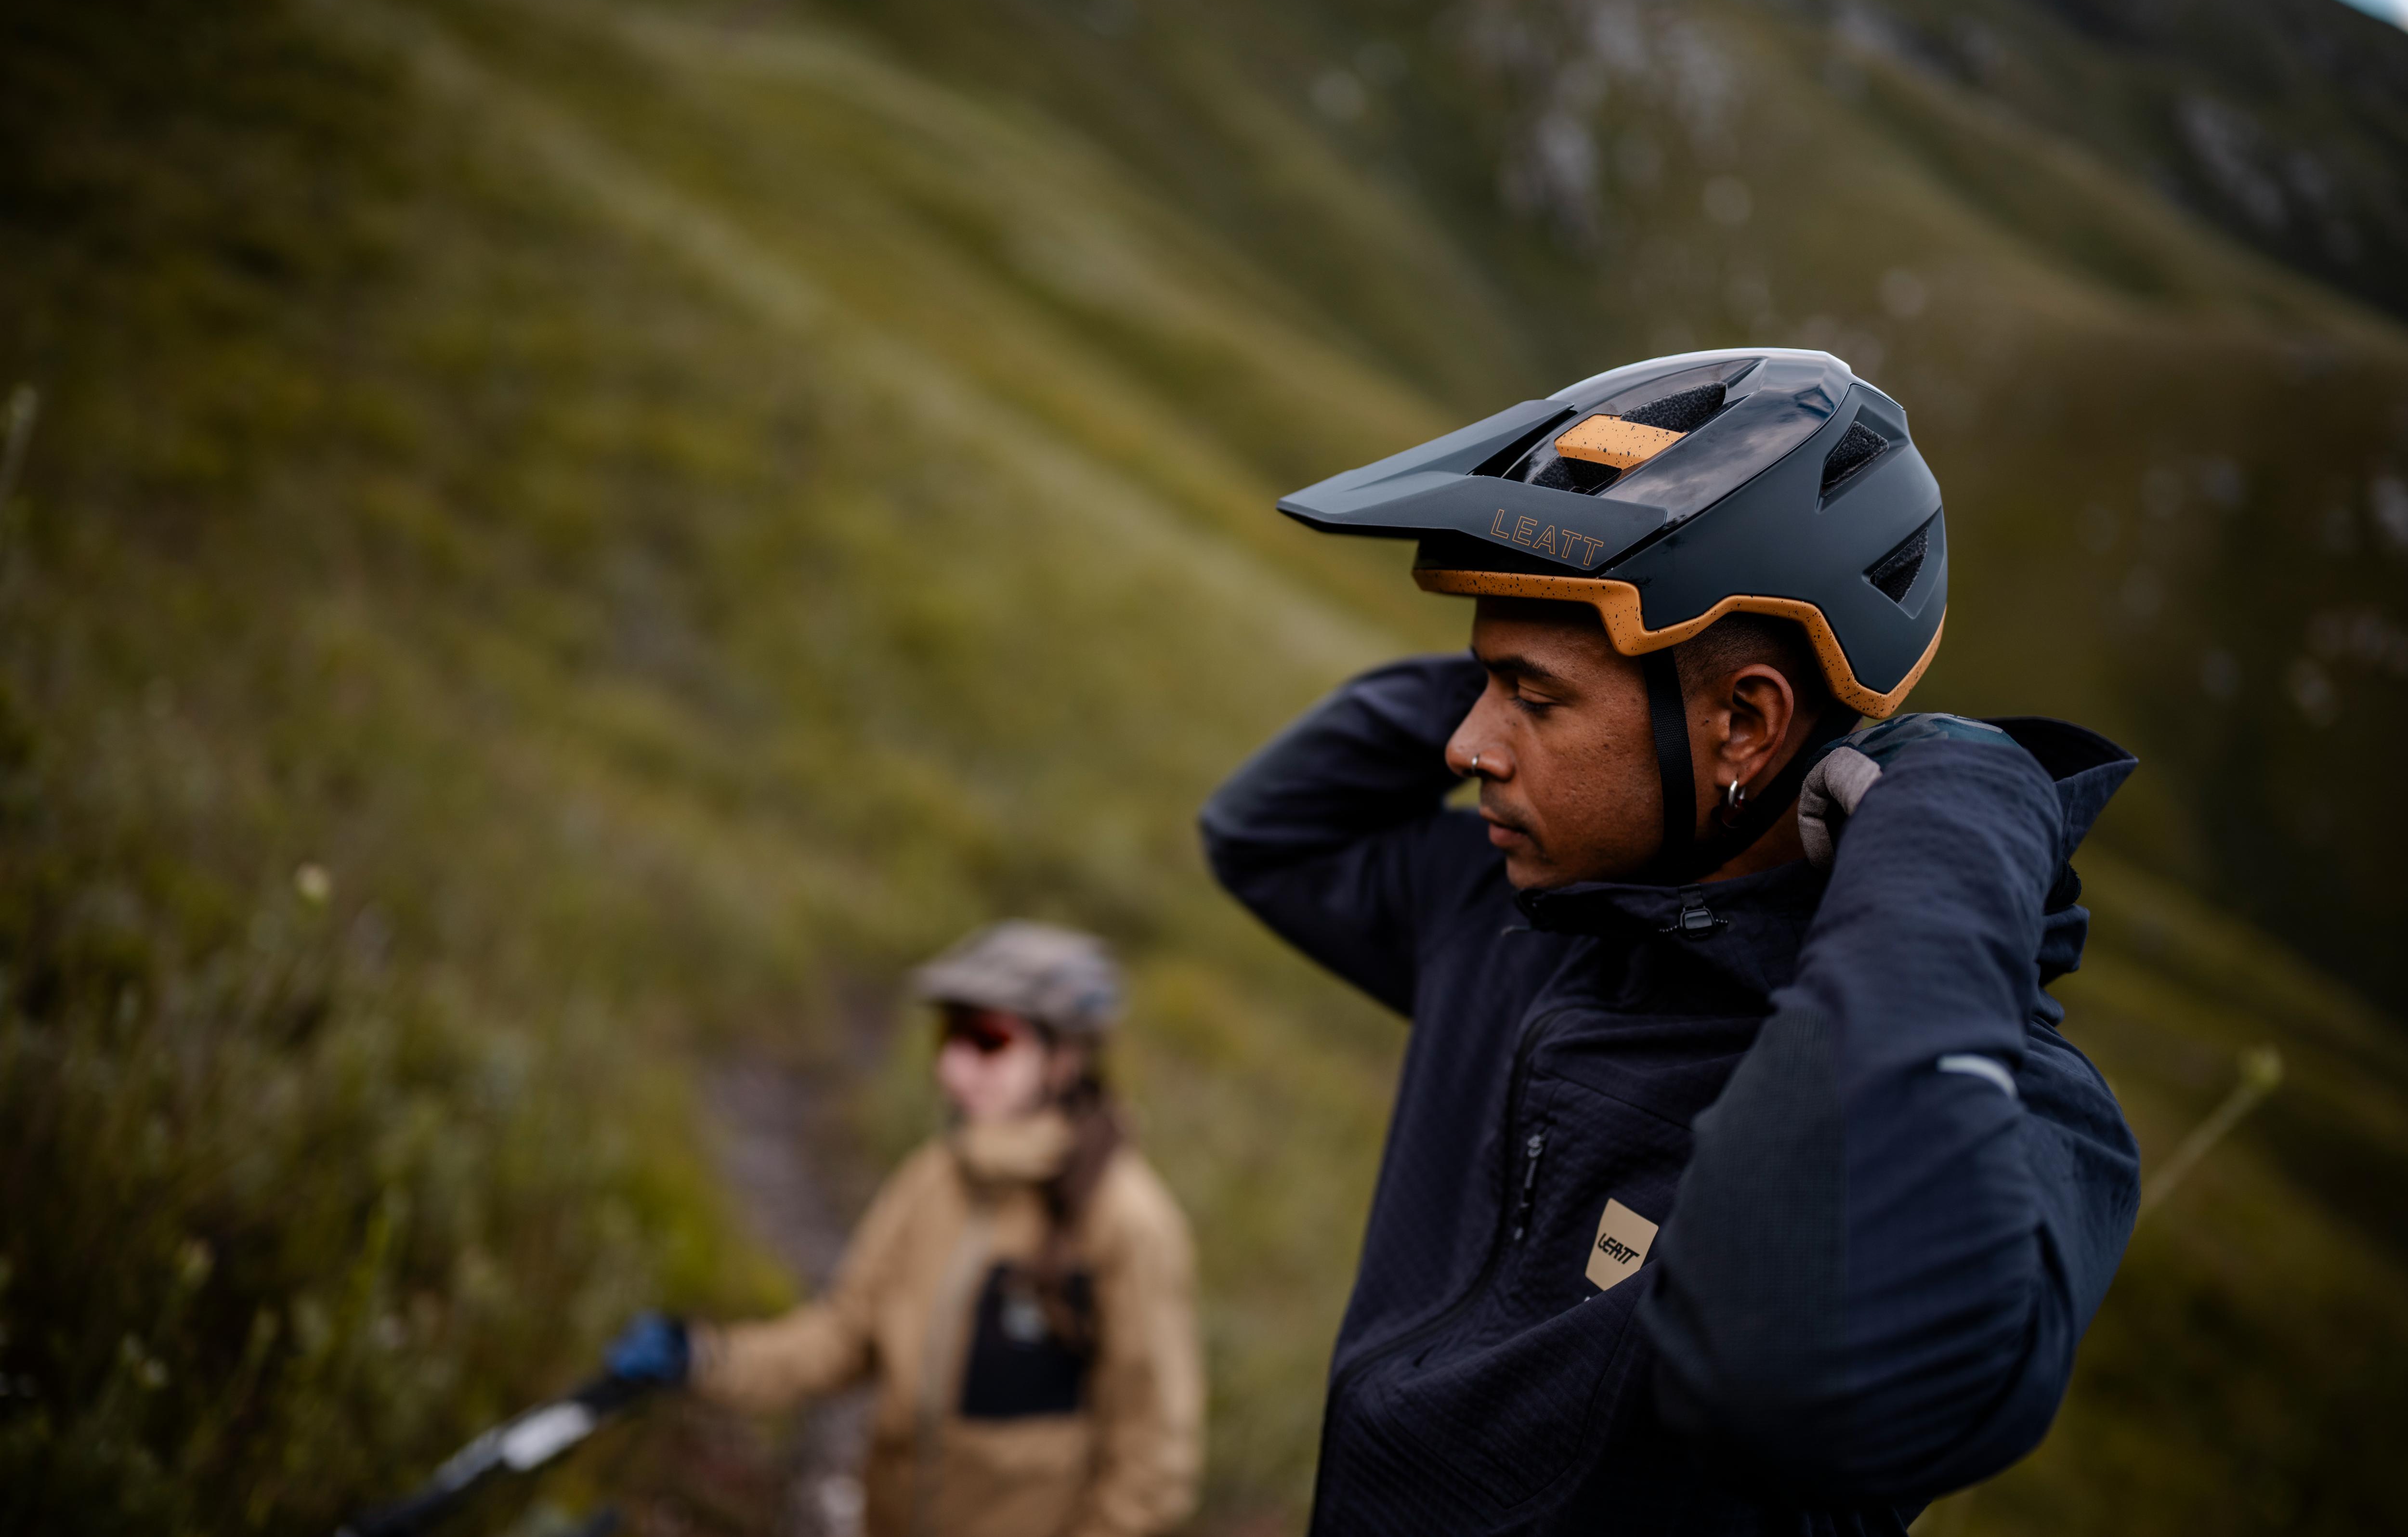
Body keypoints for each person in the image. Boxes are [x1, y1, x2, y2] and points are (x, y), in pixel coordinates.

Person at [1201, 349, 2141, 1534]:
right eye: (1484, 685)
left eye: (1531, 699)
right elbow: (1269, 833)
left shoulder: (2018, 1105)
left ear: (1745, 723)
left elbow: (1802, 1371)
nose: (1465, 745)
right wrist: (1544, 631)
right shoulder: (1523, 918)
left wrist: (1956, 815)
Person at [605, 922, 1203, 1537]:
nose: (953, 1066)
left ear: (1065, 1059)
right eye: (949, 1035)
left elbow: (1153, 1463)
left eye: (989, 1041)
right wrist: (703, 1358)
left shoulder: (1129, 1223)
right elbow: (844, 1335)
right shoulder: (934, 1179)